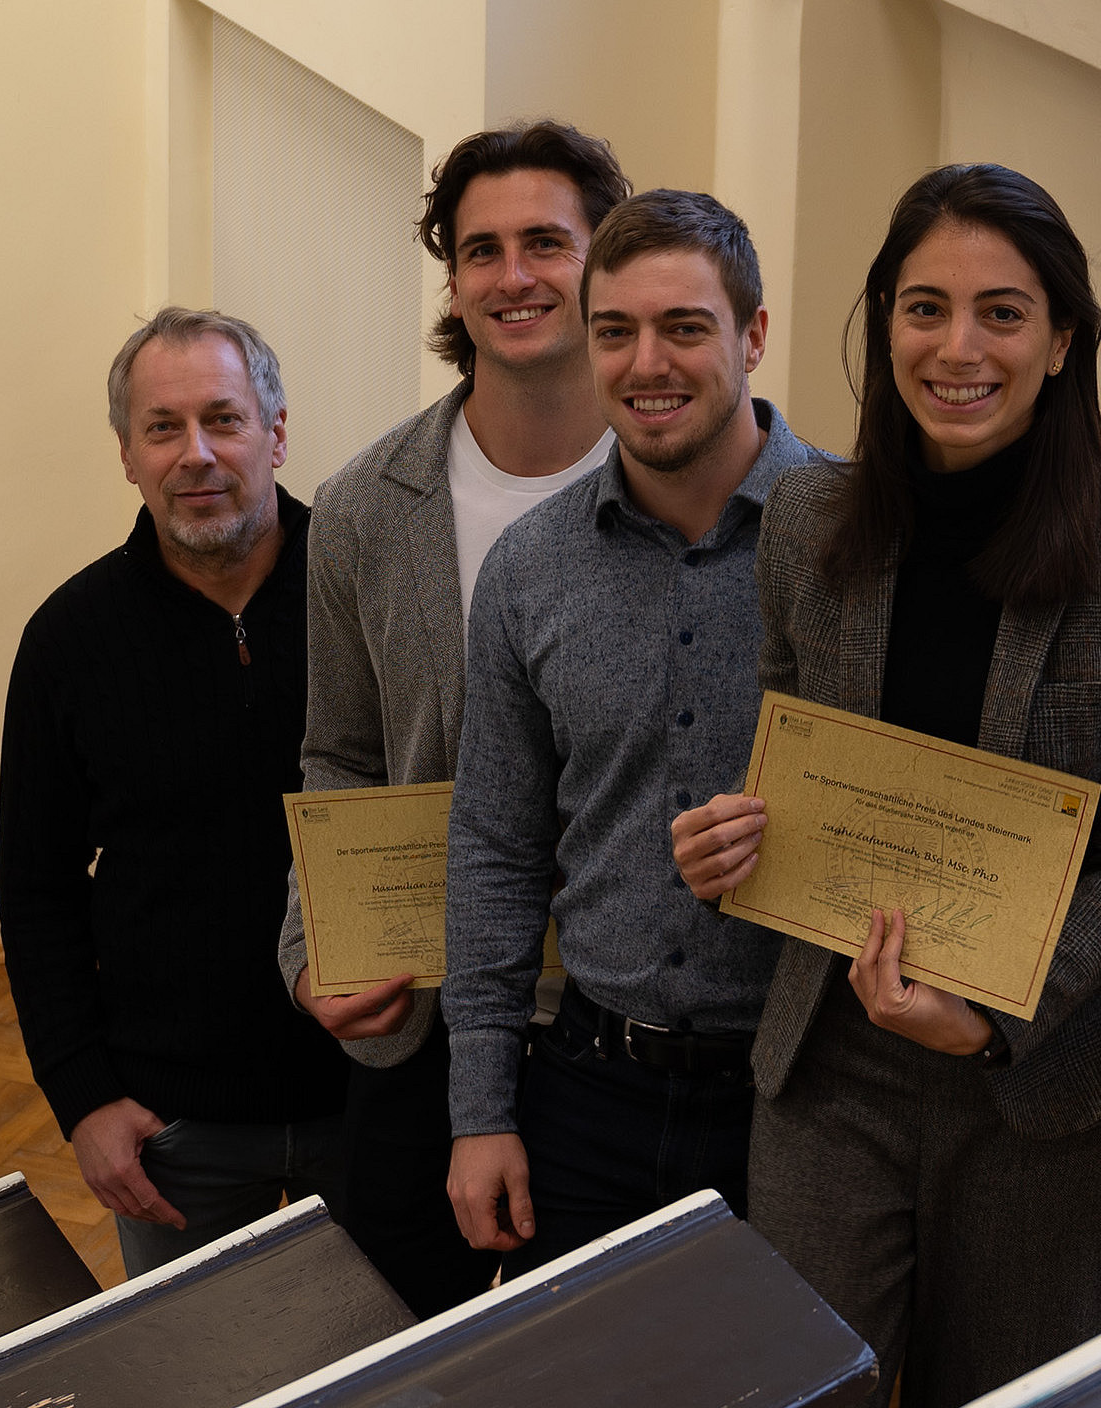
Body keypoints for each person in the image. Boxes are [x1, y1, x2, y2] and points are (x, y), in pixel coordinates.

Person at [673, 164, 1101, 1408]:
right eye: (922, 308)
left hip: (1039, 1080)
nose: (955, 347)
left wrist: (990, 1020)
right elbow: (791, 770)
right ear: (883, 325)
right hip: (829, 1061)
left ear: (1062, 338)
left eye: (1001, 312)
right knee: (800, 1390)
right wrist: (729, 848)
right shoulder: (809, 521)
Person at [275, 120, 630, 1317]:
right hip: (419, 1026)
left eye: (546, 242)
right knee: (393, 1350)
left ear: (607, 259)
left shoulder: (687, 480)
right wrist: (310, 944)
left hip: (617, 1029)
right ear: (452, 281)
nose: (513, 275)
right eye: (481, 250)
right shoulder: (362, 506)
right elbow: (341, 751)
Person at [443, 189, 830, 1278]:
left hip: (806, 1102)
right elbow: (493, 846)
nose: (643, 362)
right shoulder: (529, 570)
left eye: (684, 327)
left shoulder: (861, 545)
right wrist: (480, 1110)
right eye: (613, 330)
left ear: (752, 336)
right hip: (584, 1094)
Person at [0, 307, 348, 1278]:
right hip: (173, 1131)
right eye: (162, 427)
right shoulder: (68, 642)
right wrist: (82, 1099)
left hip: (371, 1101)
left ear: (276, 434)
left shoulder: (367, 594)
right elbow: (37, 890)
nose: (195, 454)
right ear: (126, 453)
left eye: (223, 419)